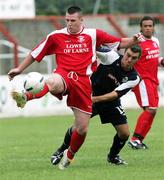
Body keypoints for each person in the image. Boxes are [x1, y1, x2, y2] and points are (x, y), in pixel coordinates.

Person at [8, 6, 141, 170]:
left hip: (84, 84)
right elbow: (36, 52)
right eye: (67, 20)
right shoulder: (56, 36)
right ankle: (25, 97)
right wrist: (19, 69)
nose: (69, 24)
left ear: (81, 20)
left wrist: (134, 40)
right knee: (52, 82)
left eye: (73, 21)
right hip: (64, 75)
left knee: (82, 129)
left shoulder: (93, 35)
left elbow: (119, 42)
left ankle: (68, 156)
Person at [51, 44, 142, 166]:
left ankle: (113, 157)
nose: (129, 59)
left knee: (124, 133)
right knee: (78, 128)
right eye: (128, 55)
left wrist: (93, 99)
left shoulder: (134, 77)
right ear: (124, 53)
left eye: (134, 58)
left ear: (138, 59)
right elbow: (91, 46)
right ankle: (61, 150)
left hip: (108, 101)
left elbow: (115, 94)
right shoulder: (111, 57)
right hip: (90, 92)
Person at [128, 16, 164, 149]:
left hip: (153, 80)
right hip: (142, 80)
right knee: (151, 110)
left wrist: (161, 61)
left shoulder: (155, 41)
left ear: (153, 27)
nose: (148, 28)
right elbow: (128, 58)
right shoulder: (137, 41)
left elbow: (154, 59)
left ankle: (138, 140)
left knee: (151, 111)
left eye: (150, 26)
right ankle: (135, 139)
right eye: (145, 26)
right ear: (141, 27)